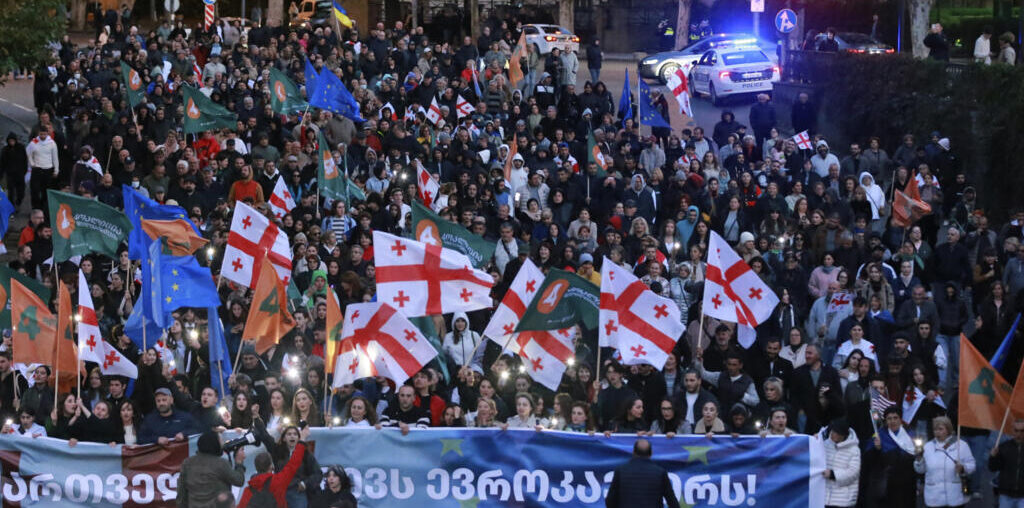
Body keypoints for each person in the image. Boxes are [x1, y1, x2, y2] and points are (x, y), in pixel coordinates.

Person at [238, 426, 311, 508]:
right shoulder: (279, 481)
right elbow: (293, 464)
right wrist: (302, 441)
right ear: (271, 466)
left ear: (256, 468)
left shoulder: (248, 490)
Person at [914, 416, 975, 507]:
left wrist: (963, 468)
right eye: (935, 429)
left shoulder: (961, 445)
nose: (937, 432)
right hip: (934, 498)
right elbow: (920, 470)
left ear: (948, 430)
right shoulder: (928, 447)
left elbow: (972, 465)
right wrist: (919, 459)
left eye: (940, 429)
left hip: (955, 496)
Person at [177, 430, 246, 508]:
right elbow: (238, 480)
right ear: (215, 445)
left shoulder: (187, 463)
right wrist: (239, 463)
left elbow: (182, 492)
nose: (223, 444)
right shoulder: (221, 463)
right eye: (221, 442)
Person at [605, 439, 679, 508]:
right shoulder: (660, 473)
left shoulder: (621, 471)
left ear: (633, 452)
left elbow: (610, 501)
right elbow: (672, 502)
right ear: (651, 453)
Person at [822, 418, 860, 508]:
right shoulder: (825, 444)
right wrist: (816, 439)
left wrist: (833, 474)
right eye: (832, 431)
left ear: (843, 435)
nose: (832, 434)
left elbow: (853, 472)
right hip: (825, 498)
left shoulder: (854, 450)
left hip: (843, 500)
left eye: (836, 432)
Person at [989, 419, 1024, 506]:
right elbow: (993, 468)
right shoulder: (1003, 447)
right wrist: (993, 457)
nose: (1019, 434)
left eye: (1022, 431)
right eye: (1016, 430)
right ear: (1012, 430)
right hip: (1006, 494)